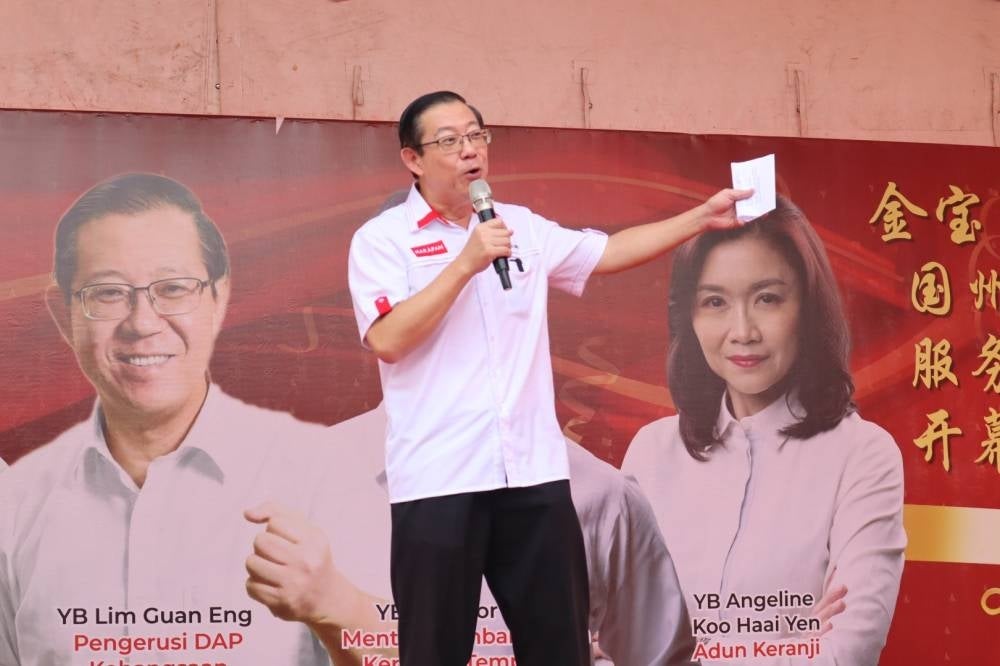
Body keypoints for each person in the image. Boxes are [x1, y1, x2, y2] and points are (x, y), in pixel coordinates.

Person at [347, 89, 751, 665]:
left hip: (532, 476)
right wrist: (465, 262)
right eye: (449, 141)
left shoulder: (520, 228)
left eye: (476, 136)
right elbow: (387, 339)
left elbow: (605, 252)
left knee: (558, 647)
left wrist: (700, 220)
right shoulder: (383, 240)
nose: (469, 152)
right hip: (439, 478)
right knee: (434, 652)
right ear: (413, 159)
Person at [0, 173, 377, 666]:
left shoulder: (325, 477)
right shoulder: (18, 505)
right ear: (62, 313)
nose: (142, 322)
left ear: (219, 299)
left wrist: (338, 608)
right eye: (108, 294)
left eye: (174, 289)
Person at [623, 196, 906, 665]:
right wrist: (791, 647)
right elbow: (605, 637)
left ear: (808, 308)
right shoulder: (651, 453)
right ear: (689, 317)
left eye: (767, 299)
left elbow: (846, 653)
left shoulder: (862, 453)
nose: (742, 331)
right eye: (715, 302)